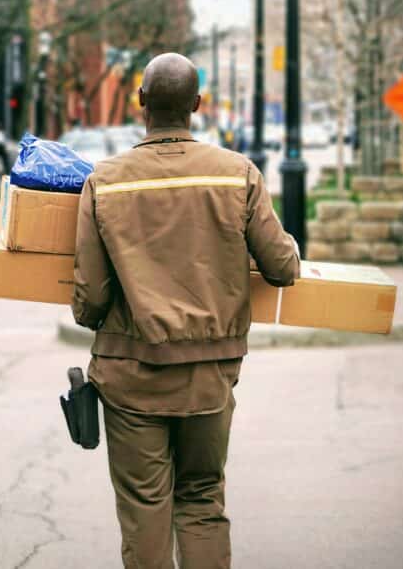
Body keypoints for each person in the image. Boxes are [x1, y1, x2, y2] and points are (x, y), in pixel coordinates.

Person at [72, 53, 300, 569]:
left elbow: (89, 299)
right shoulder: (236, 174)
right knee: (200, 500)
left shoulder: (104, 182)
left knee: (145, 510)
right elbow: (283, 267)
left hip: (131, 379)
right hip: (209, 379)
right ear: (197, 105)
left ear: (141, 104)